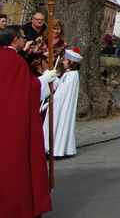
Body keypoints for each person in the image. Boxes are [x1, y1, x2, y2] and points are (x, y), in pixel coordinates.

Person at [0, 24, 56, 218]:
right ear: (15, 40)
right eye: (23, 37)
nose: (26, 40)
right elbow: (26, 89)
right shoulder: (15, 61)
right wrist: (45, 80)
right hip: (12, 124)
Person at [43, 47, 81, 157]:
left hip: (60, 106)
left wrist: (50, 101)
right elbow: (61, 87)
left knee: (56, 124)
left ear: (71, 62)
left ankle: (55, 149)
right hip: (59, 104)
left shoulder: (72, 75)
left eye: (65, 60)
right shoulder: (68, 74)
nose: (63, 62)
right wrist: (54, 78)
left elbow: (62, 93)